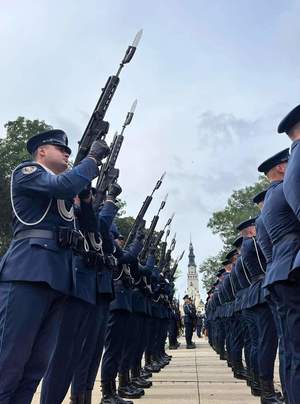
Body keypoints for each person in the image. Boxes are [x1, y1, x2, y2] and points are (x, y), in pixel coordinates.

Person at [0, 129, 109, 404]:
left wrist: (85, 199)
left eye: (70, 152)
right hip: (28, 273)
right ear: (42, 152)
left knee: (34, 368)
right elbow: (60, 186)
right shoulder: (27, 172)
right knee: (10, 363)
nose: (67, 154)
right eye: (61, 149)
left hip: (59, 278)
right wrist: (92, 161)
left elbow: (91, 232)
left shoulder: (66, 189)